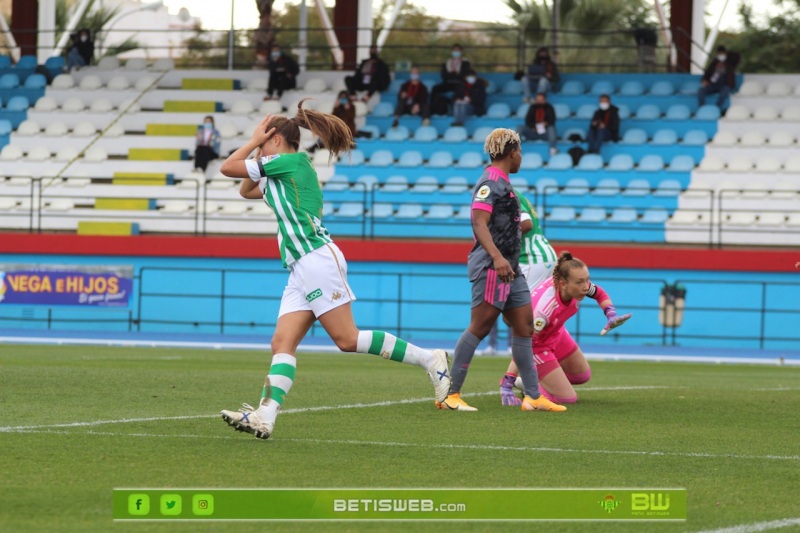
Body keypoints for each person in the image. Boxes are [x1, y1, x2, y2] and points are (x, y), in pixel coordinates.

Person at [218, 102, 451, 439]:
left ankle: (431, 359)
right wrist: (258, 149)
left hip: (316, 258)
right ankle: (265, 417)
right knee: (281, 342)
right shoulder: (278, 171)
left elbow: (229, 168)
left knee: (347, 339)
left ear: (276, 142)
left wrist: (254, 141)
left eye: (266, 141)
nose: (261, 147)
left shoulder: (293, 162)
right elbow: (245, 189)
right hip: (300, 267)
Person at [437, 128, 566, 413]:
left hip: (511, 267)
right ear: (512, 153)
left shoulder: (504, 183)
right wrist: (497, 258)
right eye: (520, 152)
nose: (521, 158)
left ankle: (532, 396)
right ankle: (451, 394)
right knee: (479, 327)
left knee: (524, 327)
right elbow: (478, 222)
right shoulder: (491, 182)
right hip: (493, 266)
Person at [499, 252, 632, 406]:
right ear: (563, 284)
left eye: (587, 280)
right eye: (580, 282)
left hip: (556, 333)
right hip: (538, 346)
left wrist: (611, 314)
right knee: (568, 399)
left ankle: (530, 383)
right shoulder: (543, 310)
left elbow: (599, 293)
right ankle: (530, 388)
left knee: (582, 376)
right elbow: (524, 344)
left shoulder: (579, 286)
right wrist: (507, 383)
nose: (585, 286)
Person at [484, 189, 557, 354]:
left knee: (522, 317)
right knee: (534, 313)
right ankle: (549, 356)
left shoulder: (506, 195)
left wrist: (499, 239)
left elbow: (526, 223)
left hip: (531, 258)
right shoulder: (514, 194)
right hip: (541, 256)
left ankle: (534, 364)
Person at [430, 44, 472, 116]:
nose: (456, 52)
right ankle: (433, 109)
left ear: (461, 51)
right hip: (448, 83)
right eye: (454, 50)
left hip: (460, 84)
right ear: (451, 51)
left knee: (461, 89)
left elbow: (464, 75)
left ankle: (456, 111)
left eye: (457, 50)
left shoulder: (465, 63)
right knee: (435, 89)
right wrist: (455, 75)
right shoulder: (447, 63)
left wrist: (452, 75)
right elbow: (444, 75)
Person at [698, 45, 738, 109]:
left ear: (725, 53)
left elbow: (737, 56)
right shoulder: (714, 63)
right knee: (701, 91)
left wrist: (727, 54)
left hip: (725, 85)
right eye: (719, 54)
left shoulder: (730, 63)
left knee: (724, 93)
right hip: (713, 84)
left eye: (722, 53)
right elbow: (707, 73)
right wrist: (705, 80)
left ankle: (716, 108)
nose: (720, 55)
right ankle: (702, 108)